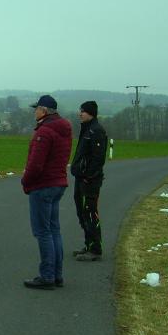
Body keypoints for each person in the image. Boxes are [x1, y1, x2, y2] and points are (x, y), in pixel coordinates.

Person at [21, 95, 73, 289]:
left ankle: (47, 276)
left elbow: (35, 164)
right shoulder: (64, 129)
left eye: (36, 108)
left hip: (43, 186)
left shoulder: (44, 132)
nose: (34, 111)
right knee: (54, 230)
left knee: (42, 232)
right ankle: (57, 274)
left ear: (43, 110)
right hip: (58, 183)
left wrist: (25, 181)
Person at [71, 101, 108, 261]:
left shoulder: (96, 131)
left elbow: (98, 158)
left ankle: (95, 249)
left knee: (90, 212)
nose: (80, 114)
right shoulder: (87, 129)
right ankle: (88, 244)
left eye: (83, 111)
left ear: (91, 113)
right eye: (80, 111)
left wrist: (88, 176)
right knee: (82, 213)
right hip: (81, 178)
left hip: (89, 181)